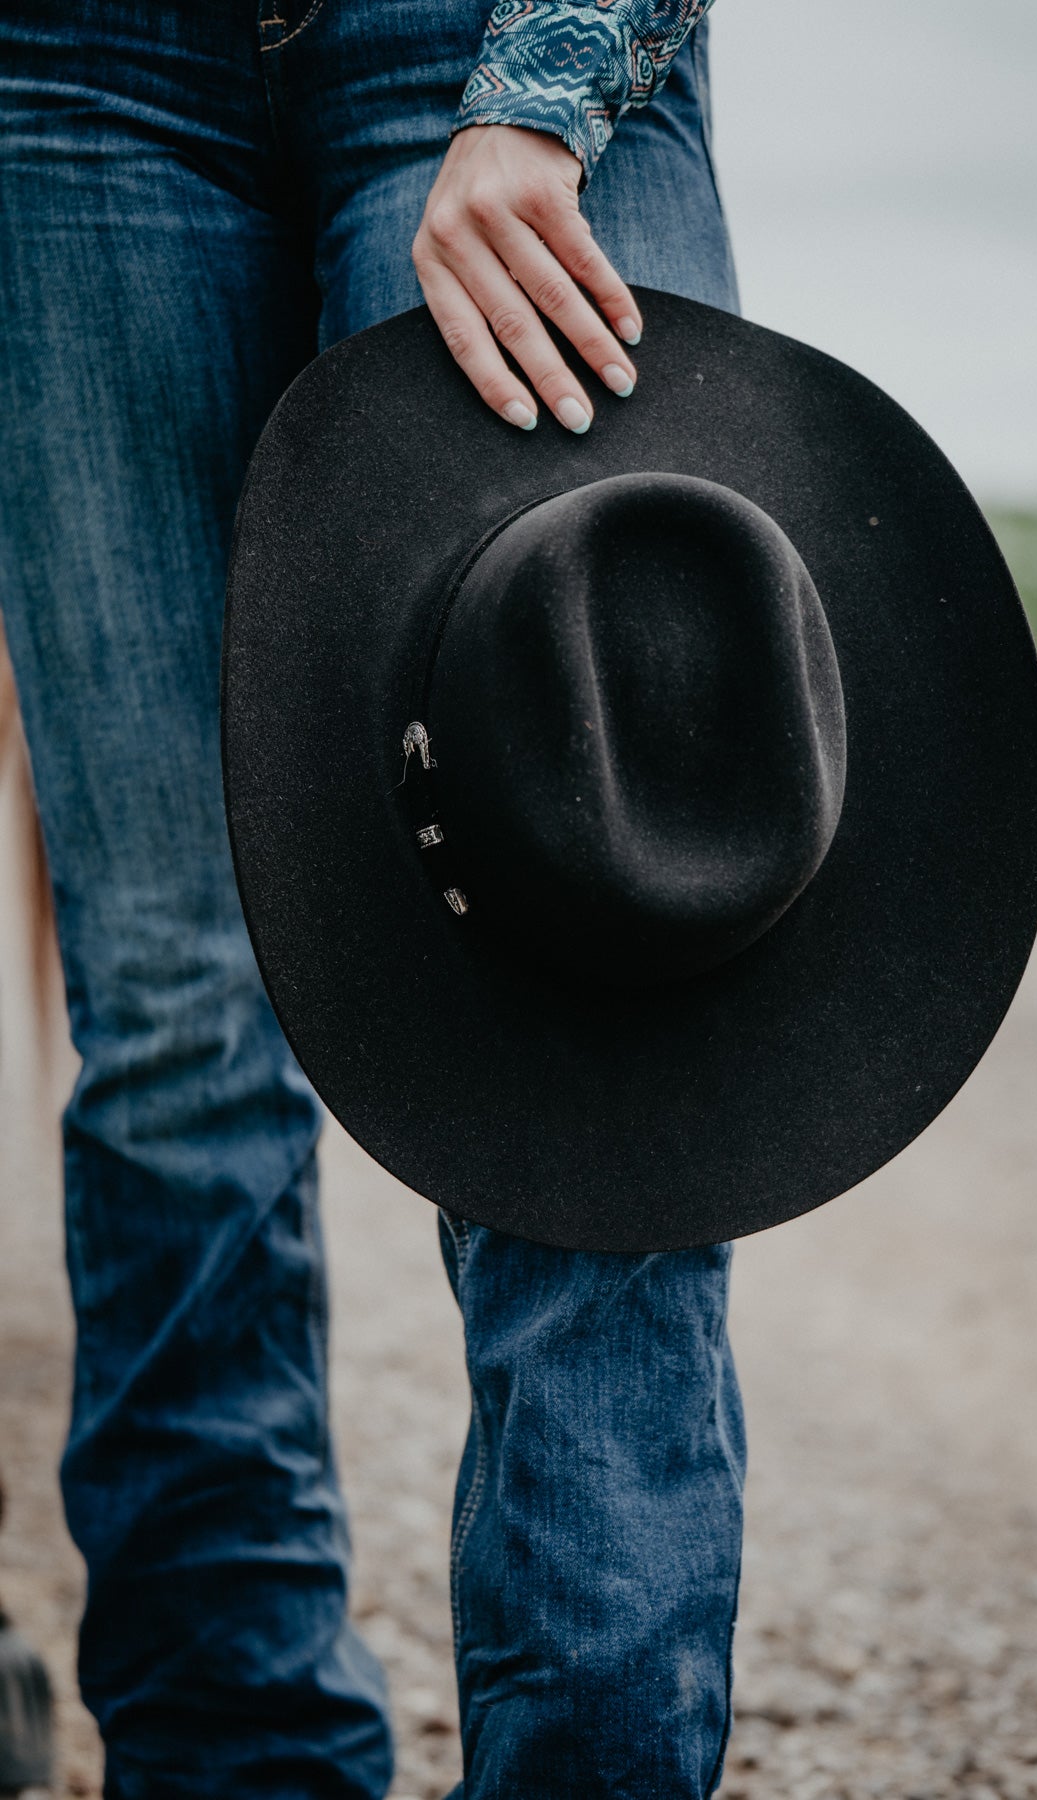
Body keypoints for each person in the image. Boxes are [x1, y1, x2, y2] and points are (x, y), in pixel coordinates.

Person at [0, 4, 745, 1797]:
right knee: (175, 1008)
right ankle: (232, 1757)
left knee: (595, 948)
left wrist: (546, 92)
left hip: (493, 38)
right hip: (64, 78)